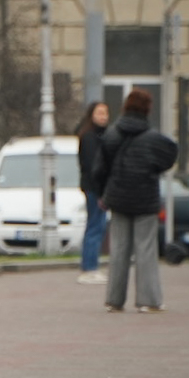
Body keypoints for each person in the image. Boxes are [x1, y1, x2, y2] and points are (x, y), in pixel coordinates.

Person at [95, 88, 177, 313]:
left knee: (119, 250)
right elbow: (170, 156)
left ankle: (114, 299)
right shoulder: (153, 138)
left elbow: (100, 169)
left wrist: (105, 193)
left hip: (118, 199)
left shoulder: (111, 135)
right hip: (145, 199)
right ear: (147, 109)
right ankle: (148, 301)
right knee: (146, 250)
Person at [75, 101, 111, 285]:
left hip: (97, 187)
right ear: (92, 115)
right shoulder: (89, 137)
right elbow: (92, 166)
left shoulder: (101, 135)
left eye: (105, 113)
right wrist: (100, 188)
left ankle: (91, 265)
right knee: (95, 227)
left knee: (98, 226)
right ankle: (89, 268)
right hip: (94, 188)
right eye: (99, 113)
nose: (103, 116)